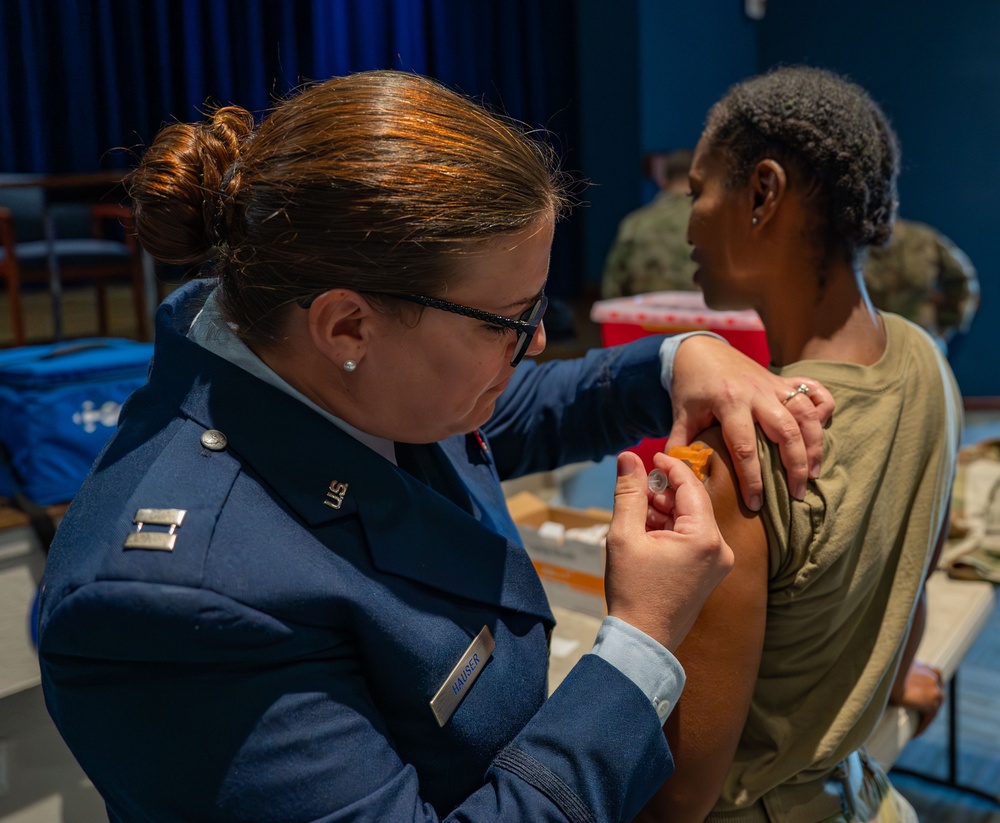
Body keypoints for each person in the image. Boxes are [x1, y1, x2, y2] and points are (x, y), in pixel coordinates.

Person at [36, 70, 834, 823]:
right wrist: (641, 642)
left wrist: (676, 359)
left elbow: (495, 416)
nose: (537, 341)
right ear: (348, 325)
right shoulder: (178, 607)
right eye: (506, 321)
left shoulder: (293, 343)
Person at [638, 66, 962, 823]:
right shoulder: (926, 362)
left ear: (762, 193)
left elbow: (681, 796)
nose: (688, 227)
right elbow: (900, 614)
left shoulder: (739, 460)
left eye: (698, 193)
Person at [863, 216, 979, 351]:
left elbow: (963, 279)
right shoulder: (856, 246)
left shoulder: (924, 239)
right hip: (873, 344)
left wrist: (948, 324)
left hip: (922, 340)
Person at [601, 149, 700, 298]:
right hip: (705, 317)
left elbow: (612, 288)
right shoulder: (714, 223)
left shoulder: (634, 224)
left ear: (663, 180)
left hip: (645, 318)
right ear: (700, 179)